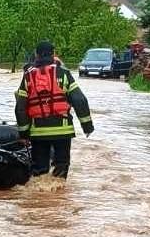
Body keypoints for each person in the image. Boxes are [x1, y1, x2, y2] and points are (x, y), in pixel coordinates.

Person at [14, 40, 93, 178]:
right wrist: (87, 126)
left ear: (36, 55)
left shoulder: (28, 77)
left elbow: (20, 108)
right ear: (53, 54)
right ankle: (58, 196)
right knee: (61, 167)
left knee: (39, 171)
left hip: (38, 132)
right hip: (63, 131)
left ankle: (40, 197)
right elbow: (80, 100)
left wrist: (24, 134)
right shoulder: (64, 74)